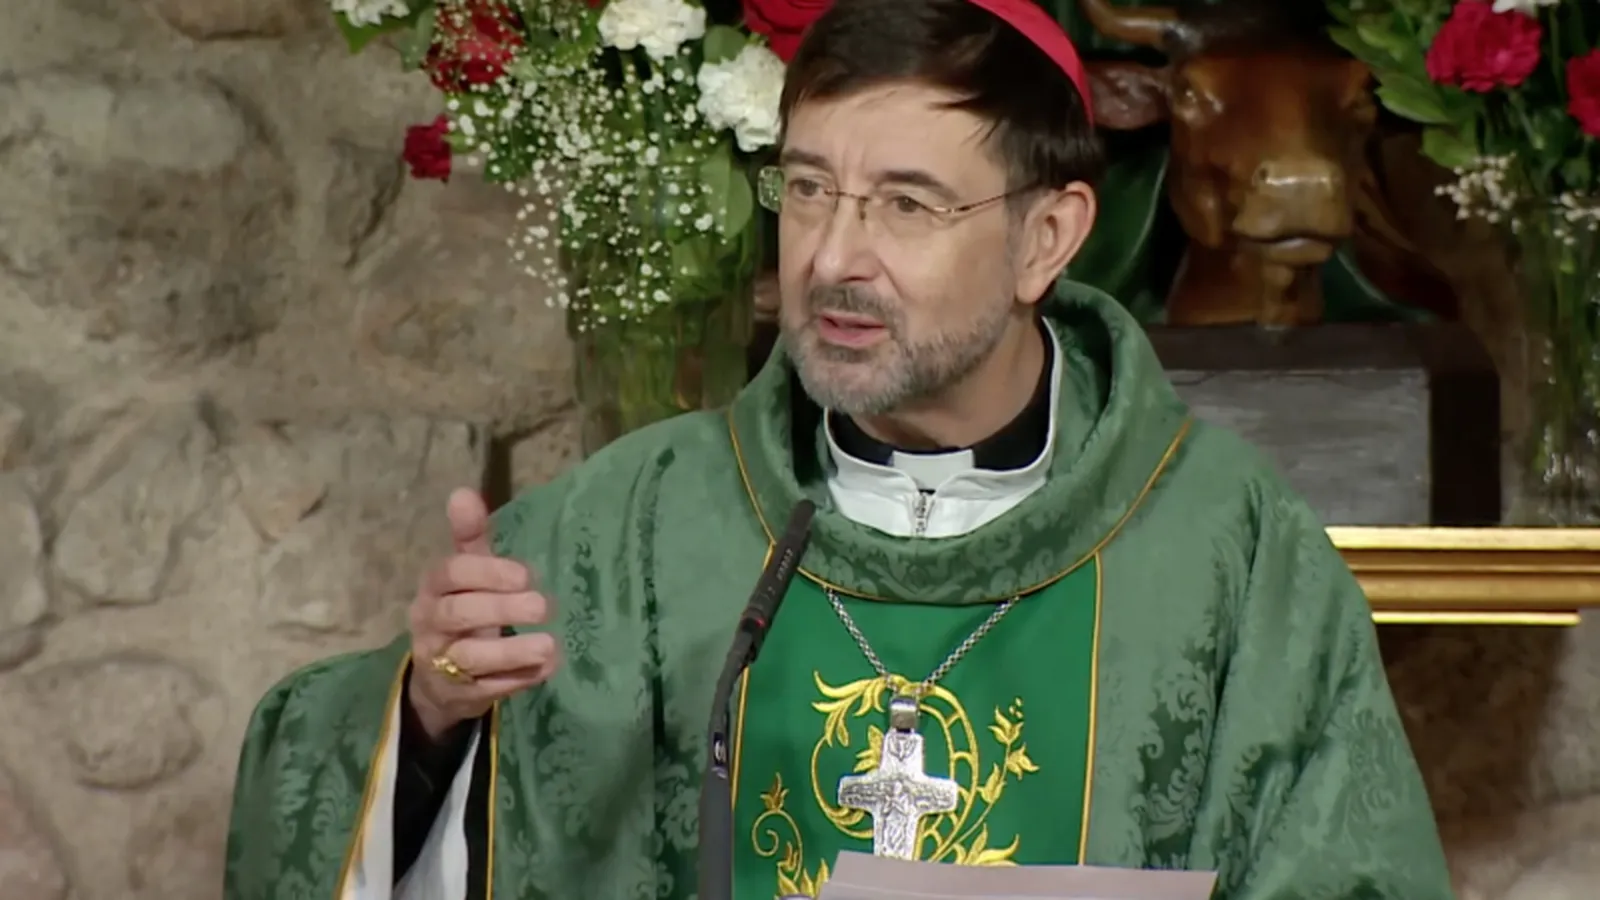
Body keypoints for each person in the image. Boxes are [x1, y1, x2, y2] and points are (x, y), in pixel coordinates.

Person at [223, 0, 1458, 897]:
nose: (832, 257)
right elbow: (318, 785)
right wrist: (433, 720)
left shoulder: (1233, 551)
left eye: (906, 205)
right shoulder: (627, 527)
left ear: (1046, 238)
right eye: (809, 189)